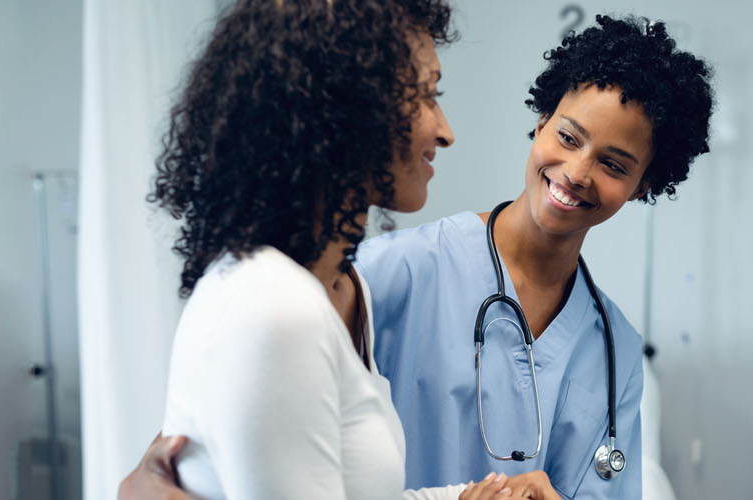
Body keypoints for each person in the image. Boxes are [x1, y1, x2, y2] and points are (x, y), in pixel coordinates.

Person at [127, 14, 715, 500]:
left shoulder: (614, 352)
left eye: (614, 164)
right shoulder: (384, 274)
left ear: (643, 184)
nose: (578, 172)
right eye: (567, 136)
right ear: (540, 121)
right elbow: (237, 420)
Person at [143, 0, 524, 498]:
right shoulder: (273, 307)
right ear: (345, 110)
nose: (445, 131)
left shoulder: (345, 288)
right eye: (425, 96)